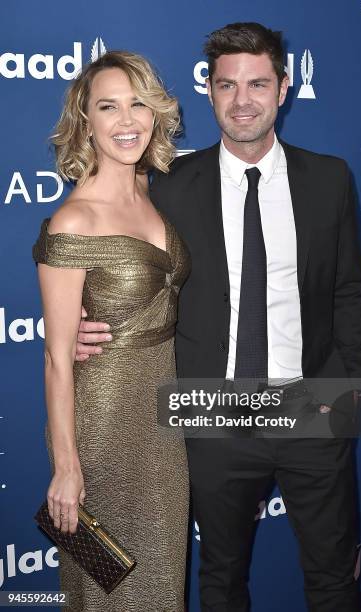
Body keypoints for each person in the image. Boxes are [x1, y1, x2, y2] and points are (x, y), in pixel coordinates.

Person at [75, 23, 361, 612]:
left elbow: (351, 291)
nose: (243, 100)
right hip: (213, 413)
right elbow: (120, 262)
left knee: (335, 576)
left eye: (258, 83)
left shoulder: (329, 178)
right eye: (226, 84)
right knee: (220, 576)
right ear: (208, 92)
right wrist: (89, 323)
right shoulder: (169, 188)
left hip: (310, 406)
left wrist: (347, 391)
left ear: (284, 88)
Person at [33, 51, 190, 612]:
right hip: (100, 428)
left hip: (162, 429)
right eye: (109, 107)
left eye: (138, 104)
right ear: (85, 120)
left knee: (160, 581)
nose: (127, 121)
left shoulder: (152, 189)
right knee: (105, 589)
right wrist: (67, 467)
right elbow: (57, 357)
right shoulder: (72, 220)